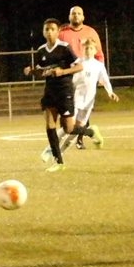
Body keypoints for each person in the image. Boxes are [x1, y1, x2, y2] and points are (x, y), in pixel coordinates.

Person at [24, 18, 102, 172]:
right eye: (46, 29)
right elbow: (41, 71)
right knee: (50, 126)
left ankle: (90, 132)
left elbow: (79, 66)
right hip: (50, 92)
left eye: (52, 29)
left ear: (58, 31)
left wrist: (63, 71)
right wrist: (31, 71)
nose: (49, 32)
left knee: (68, 128)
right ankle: (58, 162)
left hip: (65, 91)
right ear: (43, 32)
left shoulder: (64, 48)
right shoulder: (41, 51)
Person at [41, 38, 118, 159]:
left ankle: (60, 154)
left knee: (76, 131)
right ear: (83, 49)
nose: (88, 50)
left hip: (89, 102)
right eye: (86, 48)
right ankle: (50, 149)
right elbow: (68, 76)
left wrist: (110, 92)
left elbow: (105, 79)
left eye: (91, 48)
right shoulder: (78, 63)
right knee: (68, 128)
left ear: (95, 51)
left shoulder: (99, 65)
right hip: (75, 98)